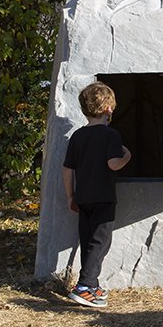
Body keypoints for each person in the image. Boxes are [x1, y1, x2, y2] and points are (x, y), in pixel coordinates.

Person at [61, 81, 132, 308]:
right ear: (109, 109)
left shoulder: (77, 137)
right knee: (100, 242)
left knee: (88, 241)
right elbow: (113, 164)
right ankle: (83, 286)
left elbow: (67, 169)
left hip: (82, 197)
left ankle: (92, 285)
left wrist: (70, 197)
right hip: (103, 197)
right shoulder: (111, 135)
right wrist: (127, 157)